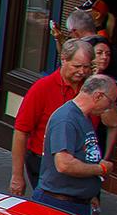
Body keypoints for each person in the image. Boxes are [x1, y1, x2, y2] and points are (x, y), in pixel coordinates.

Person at [12, 39, 96, 197]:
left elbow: (111, 122)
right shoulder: (42, 88)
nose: (82, 72)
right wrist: (17, 175)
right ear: (64, 59)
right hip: (44, 162)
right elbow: (21, 131)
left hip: (81, 161)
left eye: (86, 67)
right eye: (77, 66)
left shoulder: (90, 88)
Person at [35, 74, 117, 215]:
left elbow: (83, 154)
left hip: (75, 202)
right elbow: (64, 164)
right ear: (98, 96)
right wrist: (100, 169)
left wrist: (88, 194)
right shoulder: (66, 119)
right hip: (60, 205)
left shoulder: (83, 117)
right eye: (110, 102)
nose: (110, 107)